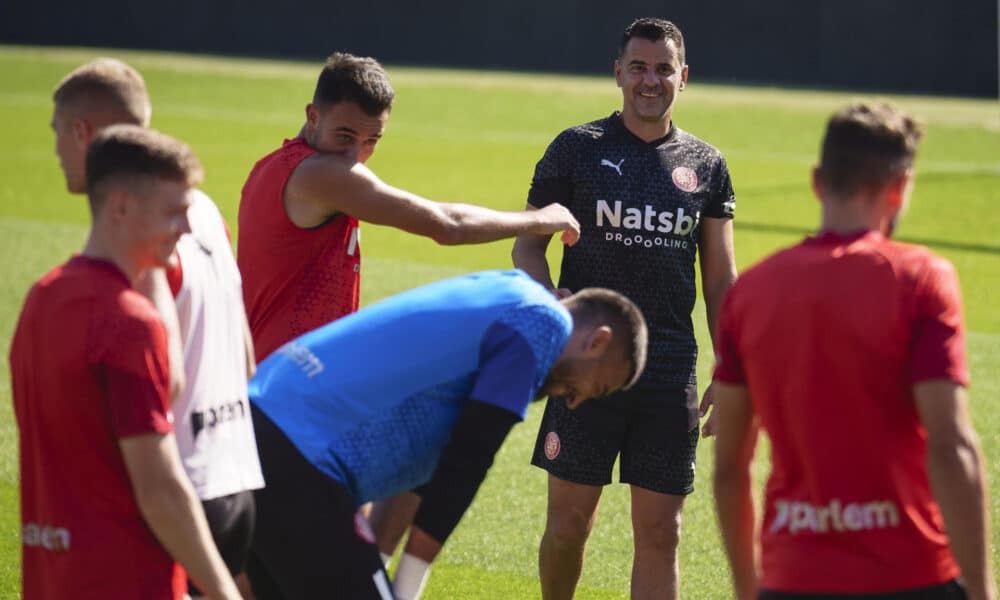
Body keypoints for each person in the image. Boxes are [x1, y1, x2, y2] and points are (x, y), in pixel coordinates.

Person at [711, 101, 996, 600]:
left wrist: (747, 589)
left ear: (818, 180)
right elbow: (951, 447)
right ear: (901, 186)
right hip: (909, 575)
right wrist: (983, 589)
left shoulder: (750, 293)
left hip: (793, 576)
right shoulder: (921, 280)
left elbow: (732, 466)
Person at [244, 269, 648, 600]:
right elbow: (468, 461)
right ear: (597, 342)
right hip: (299, 454)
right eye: (596, 388)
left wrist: (385, 573)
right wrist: (406, 584)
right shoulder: (543, 325)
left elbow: (429, 465)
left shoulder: (511, 292)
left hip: (260, 426)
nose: (574, 402)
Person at [511, 17, 737, 599]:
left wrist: (731, 362)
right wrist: (551, 306)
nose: (650, 80)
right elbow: (527, 244)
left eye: (663, 69)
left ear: (683, 78)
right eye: (638, 66)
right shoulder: (575, 149)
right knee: (567, 528)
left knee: (662, 532)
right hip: (586, 365)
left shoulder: (706, 165)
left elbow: (719, 275)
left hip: (667, 372)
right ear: (617, 72)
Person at [50, 59, 264, 596]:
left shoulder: (138, 230)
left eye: (58, 134)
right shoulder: (204, 206)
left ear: (84, 134)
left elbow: (160, 370)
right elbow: (243, 351)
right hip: (235, 474)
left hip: (180, 486)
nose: (56, 151)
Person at [10, 125, 241, 599]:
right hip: (126, 579)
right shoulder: (130, 322)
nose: (185, 229)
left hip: (52, 576)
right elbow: (160, 489)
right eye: (173, 213)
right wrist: (224, 592)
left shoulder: (42, 297)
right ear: (120, 207)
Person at [236, 52, 582, 364]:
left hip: (273, 365)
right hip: (291, 373)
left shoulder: (271, 166)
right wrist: (539, 218)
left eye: (372, 140)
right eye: (344, 136)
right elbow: (447, 225)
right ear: (313, 116)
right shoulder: (323, 174)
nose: (356, 156)